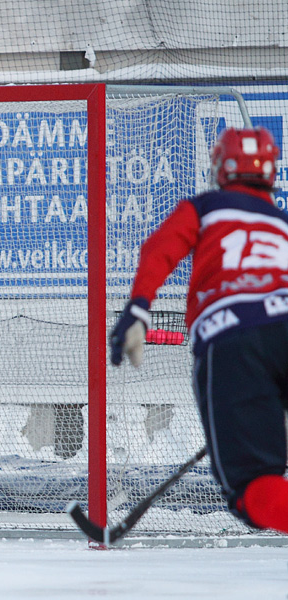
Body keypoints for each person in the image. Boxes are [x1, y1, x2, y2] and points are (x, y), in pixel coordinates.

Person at [110, 125, 288, 534]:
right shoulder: (282, 222)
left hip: (234, 338)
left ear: (221, 169)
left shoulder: (206, 207)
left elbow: (159, 249)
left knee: (255, 490)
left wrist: (138, 309)